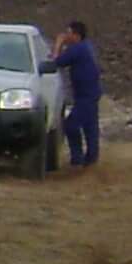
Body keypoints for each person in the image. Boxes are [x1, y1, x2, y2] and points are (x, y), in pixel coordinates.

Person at [46, 20, 102, 167]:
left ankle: (78, 159)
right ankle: (91, 158)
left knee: (71, 125)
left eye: (68, 33)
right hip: (90, 93)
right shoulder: (85, 47)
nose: (66, 36)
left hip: (86, 95)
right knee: (90, 126)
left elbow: (56, 61)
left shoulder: (77, 49)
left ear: (76, 35)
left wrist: (58, 43)